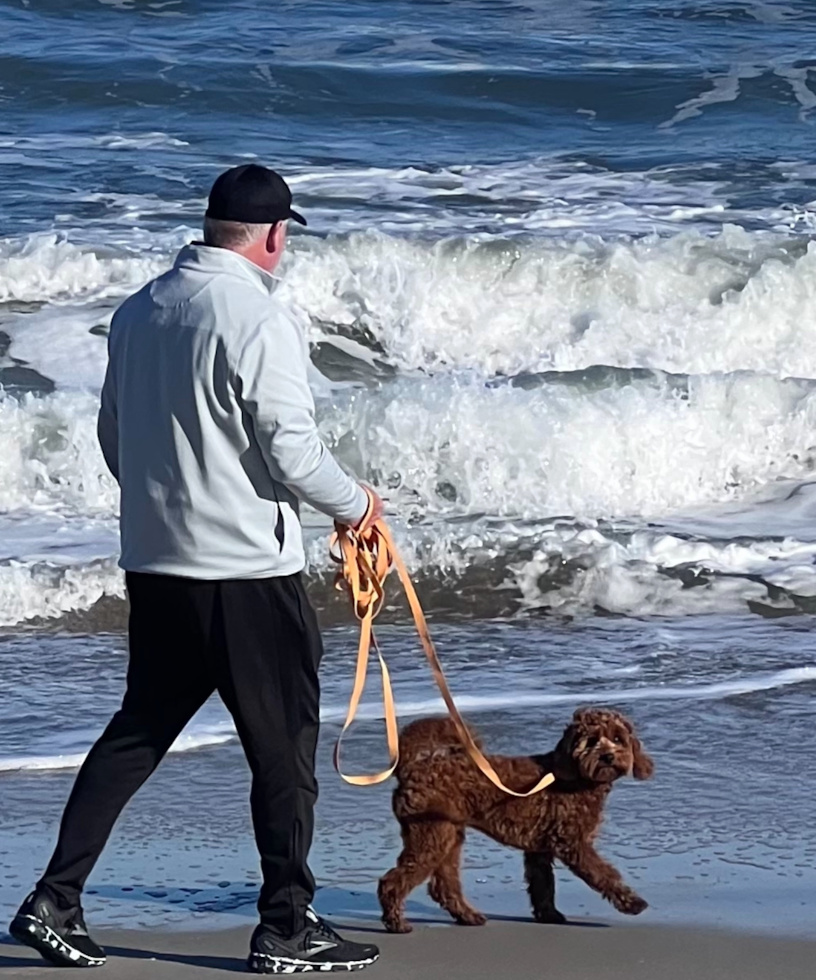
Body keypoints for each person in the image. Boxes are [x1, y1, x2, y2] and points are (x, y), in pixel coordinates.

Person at [9, 164, 384, 974]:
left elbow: (116, 438)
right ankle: (286, 925)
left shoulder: (139, 309)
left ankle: (55, 899)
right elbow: (291, 449)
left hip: (157, 564)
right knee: (282, 753)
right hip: (247, 574)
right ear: (276, 235)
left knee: (139, 731)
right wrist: (356, 506)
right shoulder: (257, 315)